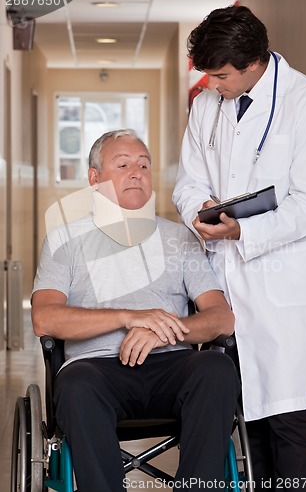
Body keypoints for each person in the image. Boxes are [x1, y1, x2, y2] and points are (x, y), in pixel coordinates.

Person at [172, 5, 306, 492]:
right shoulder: (206, 105)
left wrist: (243, 232)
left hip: (283, 282)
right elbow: (186, 183)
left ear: (253, 63)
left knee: (288, 417)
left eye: (221, 76)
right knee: (244, 417)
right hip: (224, 282)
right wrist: (200, 210)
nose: (214, 86)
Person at [31, 129, 240, 492]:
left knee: (216, 367)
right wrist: (130, 317)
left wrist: (164, 329)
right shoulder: (63, 240)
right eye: (123, 164)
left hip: (171, 367)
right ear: (94, 179)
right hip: (96, 370)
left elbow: (220, 317)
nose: (136, 172)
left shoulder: (180, 239)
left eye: (144, 165)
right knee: (77, 385)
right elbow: (44, 318)